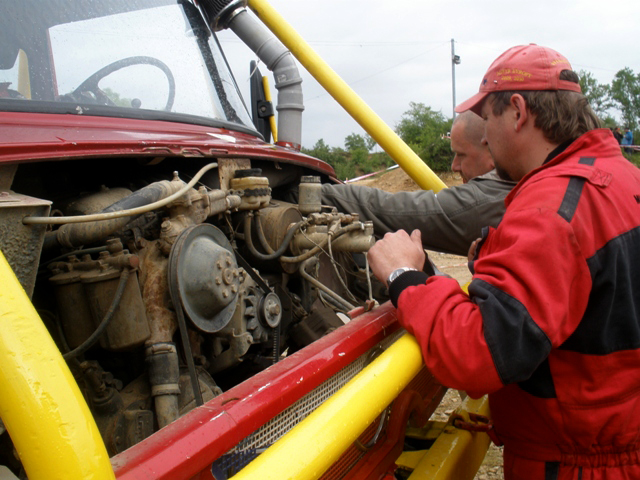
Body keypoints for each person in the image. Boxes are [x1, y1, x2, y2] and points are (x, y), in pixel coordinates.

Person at [368, 44, 640, 479]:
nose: (486, 137)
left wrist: (404, 276)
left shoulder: (551, 207)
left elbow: (479, 355)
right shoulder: (623, 178)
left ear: (517, 111)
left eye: (488, 119)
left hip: (575, 463)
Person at [320, 111, 515, 256]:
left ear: (492, 148)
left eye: (461, 155)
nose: (454, 166)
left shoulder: (489, 199)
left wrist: (317, 193)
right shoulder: (526, 184)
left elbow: (389, 211)